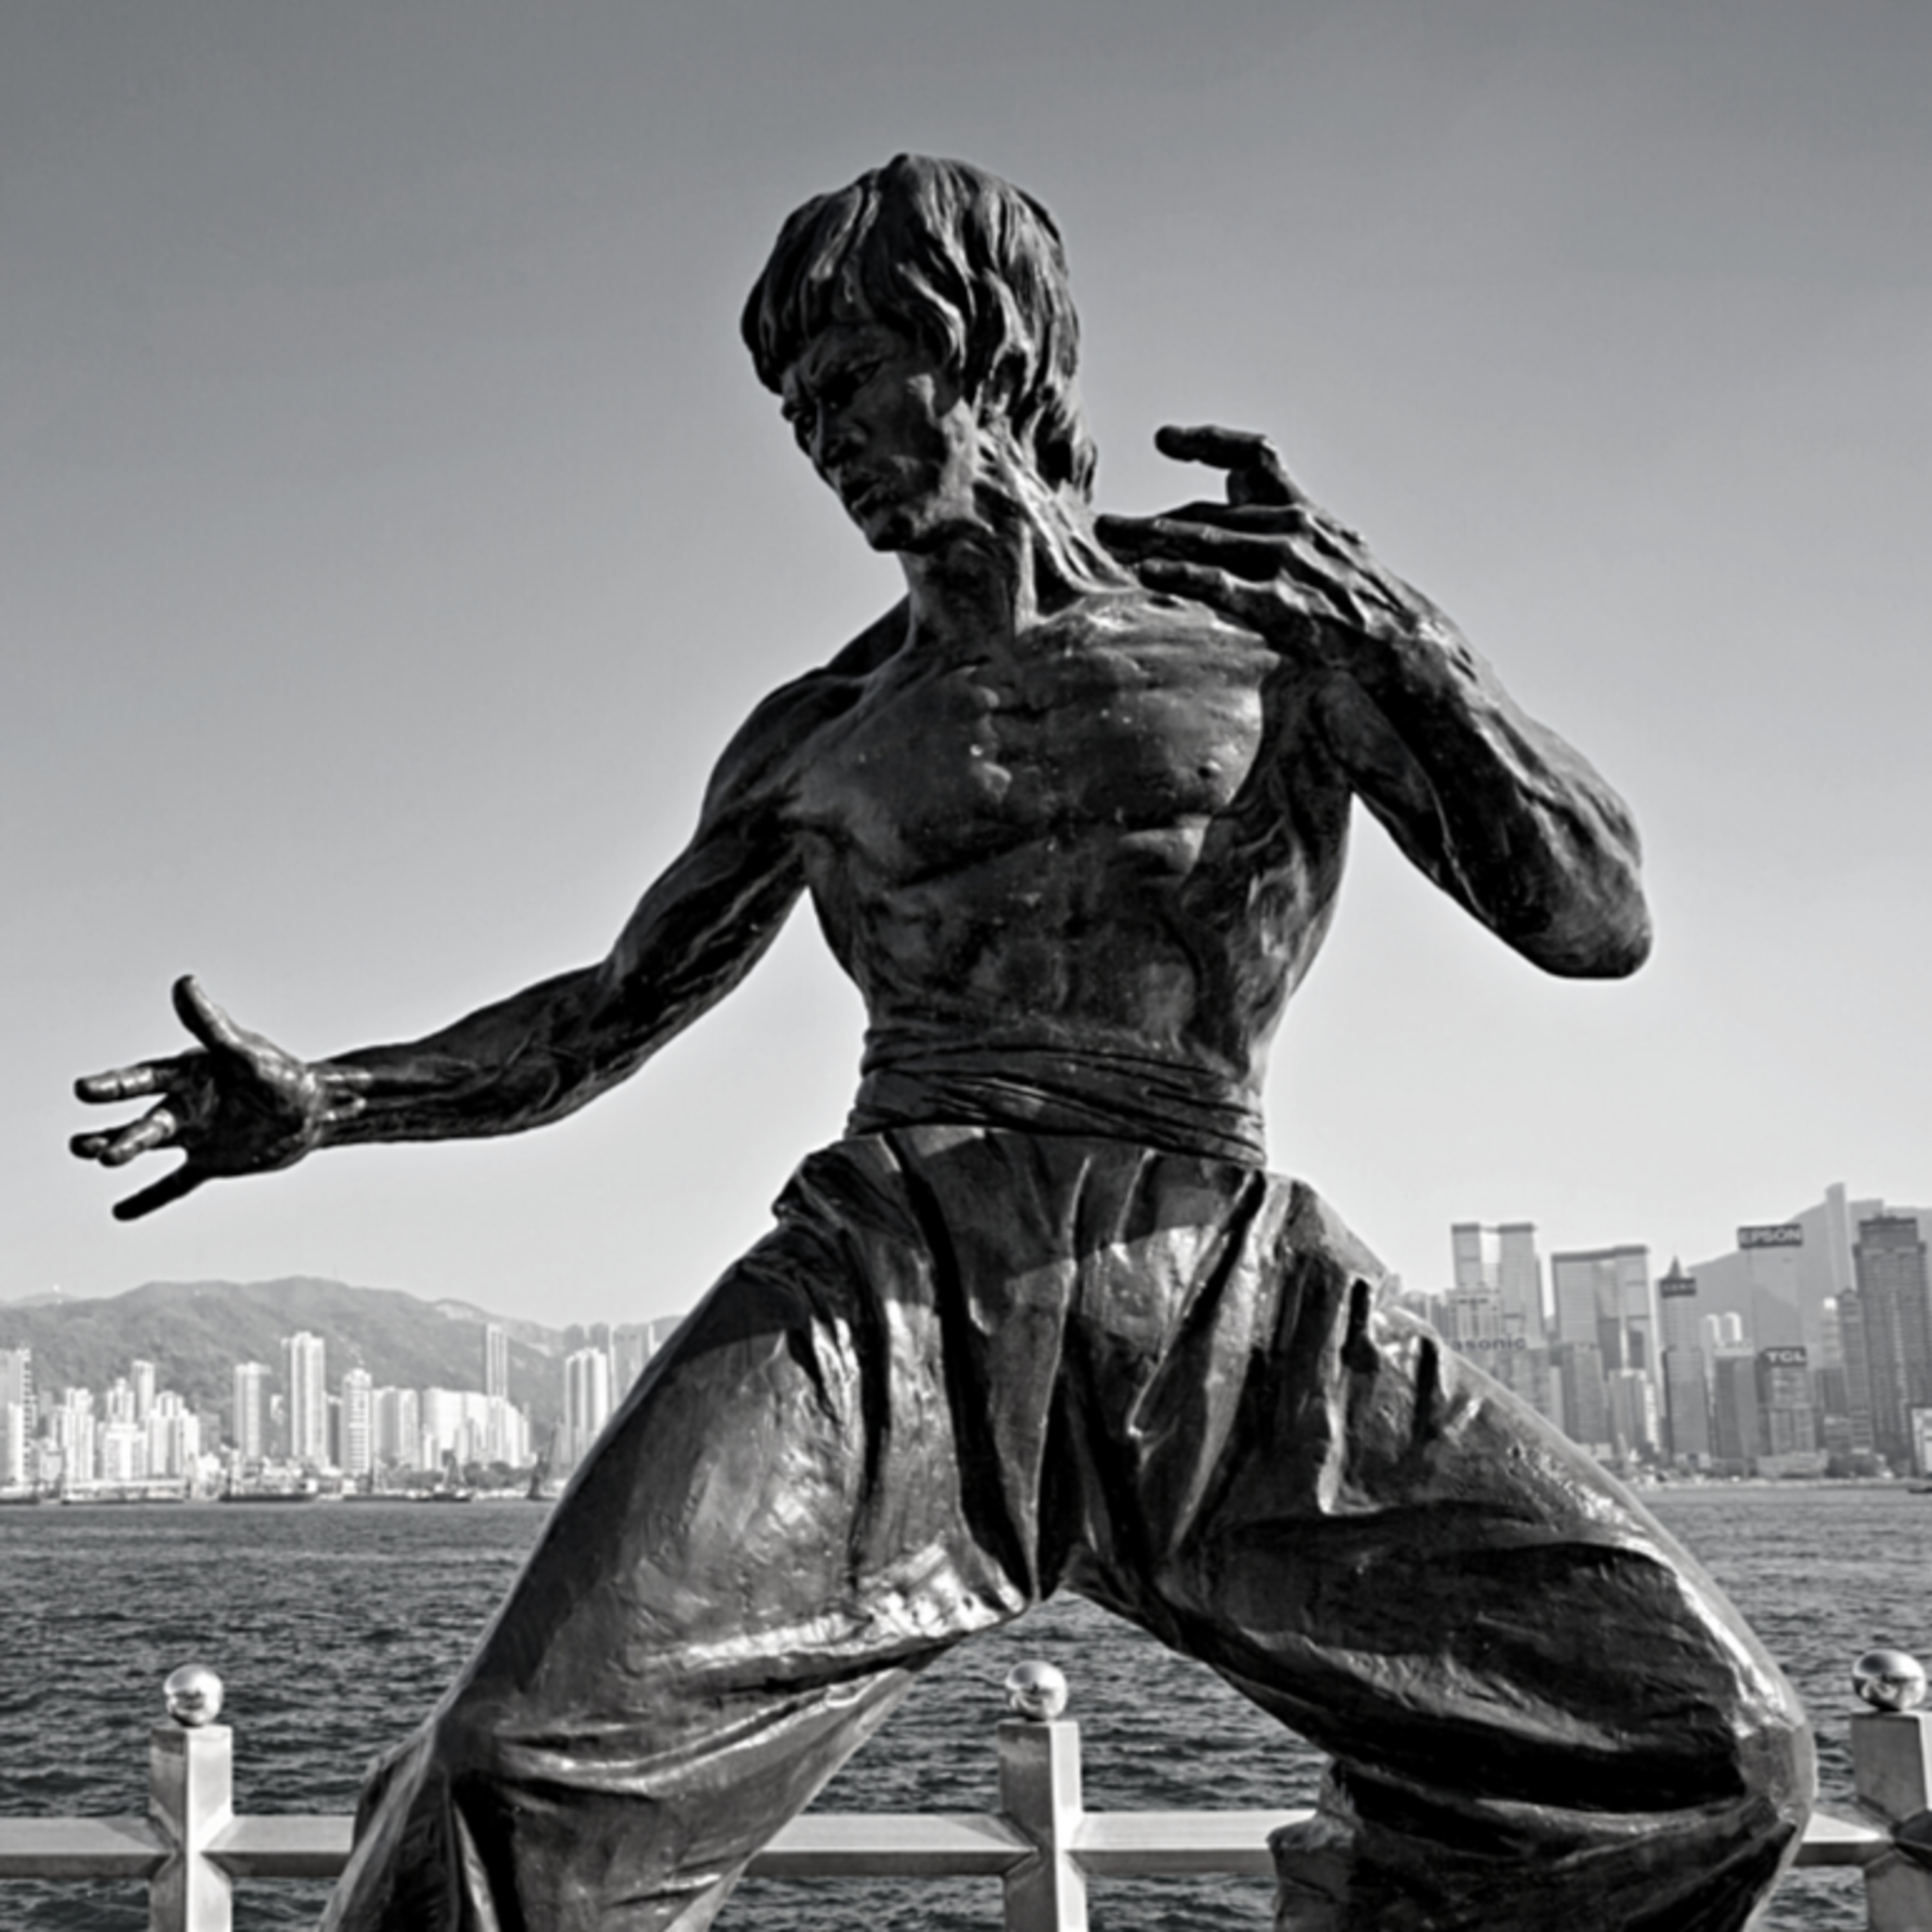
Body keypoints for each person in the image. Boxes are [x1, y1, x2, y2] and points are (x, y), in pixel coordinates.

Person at [74, 155, 1810, 1931]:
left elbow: (1591, 922)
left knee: (1708, 1753)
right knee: (504, 1785)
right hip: (891, 1288)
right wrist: (331, 1101)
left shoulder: (1271, 638)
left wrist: (1412, 644)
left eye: (849, 377)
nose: (822, 437)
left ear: (983, 350)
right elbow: (604, 1013)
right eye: (796, 408)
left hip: (1215, 1295)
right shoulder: (821, 734)